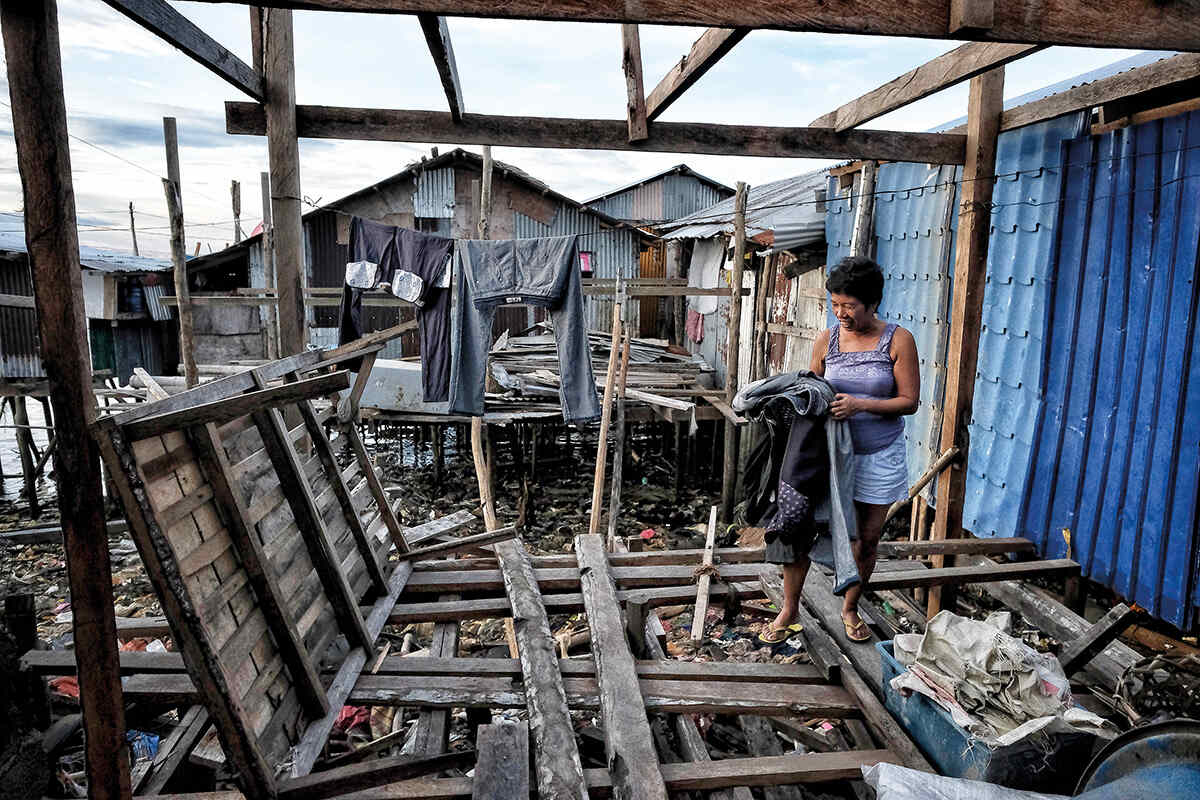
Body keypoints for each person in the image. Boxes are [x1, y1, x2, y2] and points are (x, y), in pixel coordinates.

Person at [762, 255, 920, 644]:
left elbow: (910, 401)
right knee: (799, 525)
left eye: (849, 305)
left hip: (878, 455)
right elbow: (811, 391)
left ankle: (850, 608)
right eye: (835, 305)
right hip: (826, 457)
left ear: (872, 303)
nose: (841, 313)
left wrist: (860, 404)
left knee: (864, 539)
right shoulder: (826, 340)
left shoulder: (898, 340)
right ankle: (789, 607)